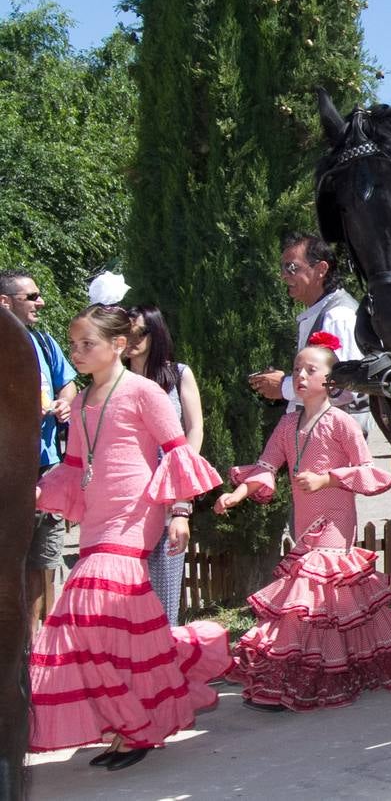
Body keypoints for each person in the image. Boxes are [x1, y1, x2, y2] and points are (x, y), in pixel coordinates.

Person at [30, 304, 228, 770]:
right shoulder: (79, 403)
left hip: (136, 512)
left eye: (86, 344)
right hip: (99, 517)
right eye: (74, 344)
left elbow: (177, 451)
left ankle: (136, 726)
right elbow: (76, 466)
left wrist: (180, 510)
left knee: (87, 612)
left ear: (118, 345)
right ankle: (129, 724)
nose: (76, 352)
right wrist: (35, 491)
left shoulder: (144, 392)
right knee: (115, 630)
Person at [216, 332, 391, 711]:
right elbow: (266, 467)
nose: (299, 375)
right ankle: (326, 672)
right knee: (323, 606)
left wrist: (326, 478)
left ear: (330, 381)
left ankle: (308, 679)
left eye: (310, 369)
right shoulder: (287, 425)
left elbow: (364, 469)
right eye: (296, 369)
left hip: (334, 521)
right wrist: (238, 494)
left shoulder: (341, 423)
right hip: (304, 523)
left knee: (312, 595)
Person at [0, 269, 77, 638]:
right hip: (6, 475)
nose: (40, 303)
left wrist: (64, 403)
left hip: (46, 470)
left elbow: (69, 385)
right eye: (31, 297)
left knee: (39, 564)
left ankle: (31, 646)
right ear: (5, 302)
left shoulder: (44, 343)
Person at [124, 304, 203, 627]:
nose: (130, 339)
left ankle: (166, 661)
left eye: (138, 332)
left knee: (167, 584)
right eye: (123, 332)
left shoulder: (179, 374)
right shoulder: (115, 380)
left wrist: (183, 481)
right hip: (129, 494)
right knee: (129, 586)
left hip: (170, 485)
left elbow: (195, 428)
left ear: (155, 333)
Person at [249, 233, 371, 434]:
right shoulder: (322, 311)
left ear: (321, 269)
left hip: (337, 443)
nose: (284, 275)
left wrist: (284, 387)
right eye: (283, 268)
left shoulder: (338, 315)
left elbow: (346, 386)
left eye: (292, 267)